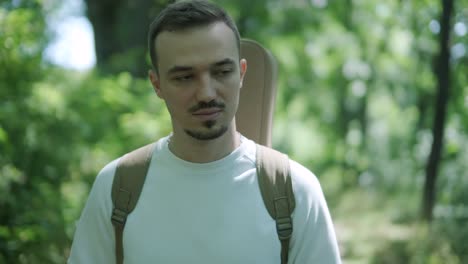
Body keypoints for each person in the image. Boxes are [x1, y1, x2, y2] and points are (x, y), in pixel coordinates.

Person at [68, 0, 341, 263]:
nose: (206, 93)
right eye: (184, 77)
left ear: (242, 73)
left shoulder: (295, 190)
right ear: (157, 84)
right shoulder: (117, 189)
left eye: (221, 71)